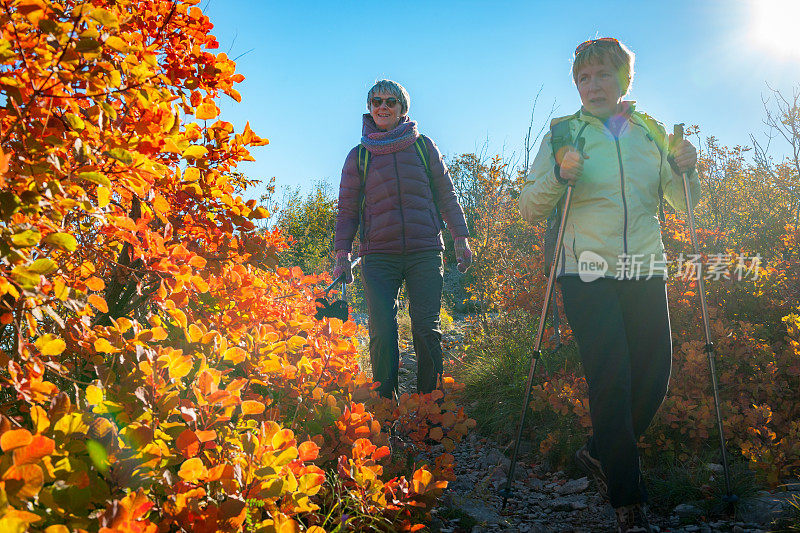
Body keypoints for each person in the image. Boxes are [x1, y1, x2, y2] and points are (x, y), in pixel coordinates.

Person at [519, 38, 700, 533]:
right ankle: (627, 500)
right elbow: (530, 208)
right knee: (611, 376)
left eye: (602, 75)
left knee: (654, 376)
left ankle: (599, 453)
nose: (593, 86)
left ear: (625, 79)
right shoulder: (563, 132)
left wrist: (689, 169)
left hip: (645, 268)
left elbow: (685, 205)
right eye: (583, 78)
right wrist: (560, 174)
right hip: (586, 270)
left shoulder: (651, 131)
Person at [333, 79, 472, 400]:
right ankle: (385, 408)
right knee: (382, 331)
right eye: (376, 101)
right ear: (369, 108)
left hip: (425, 252)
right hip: (378, 256)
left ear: (402, 109)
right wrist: (342, 253)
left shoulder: (423, 147)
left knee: (427, 330)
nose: (383, 107)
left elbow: (446, 194)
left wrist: (460, 237)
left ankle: (431, 408)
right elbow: (347, 209)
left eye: (391, 102)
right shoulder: (359, 156)